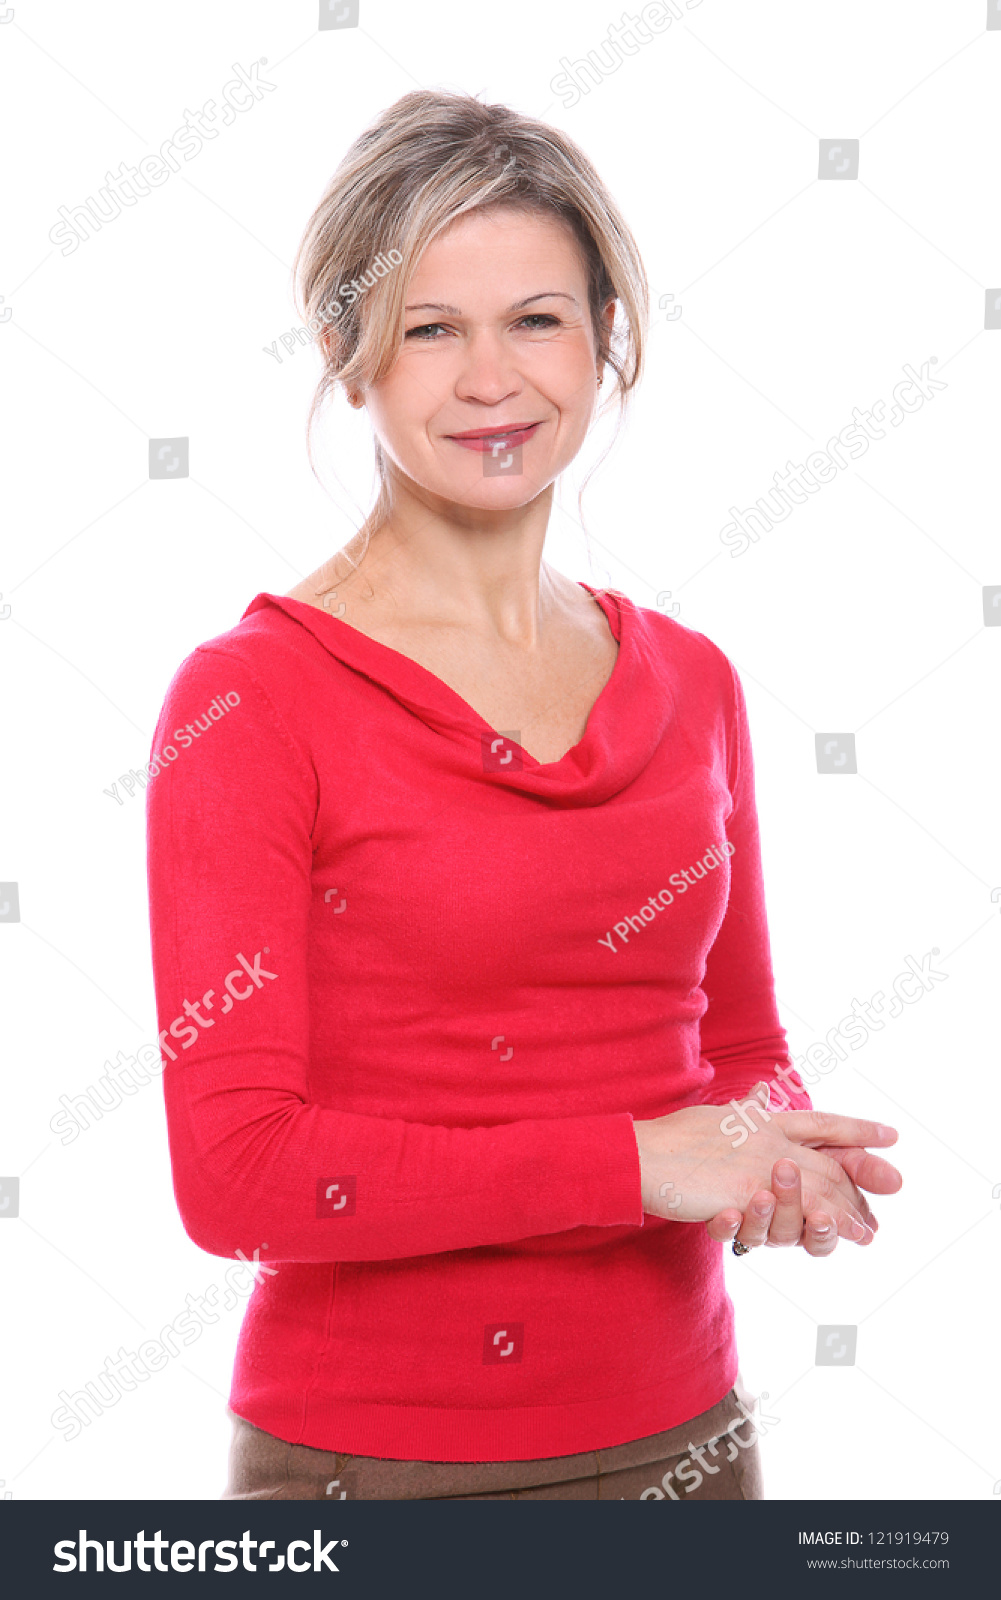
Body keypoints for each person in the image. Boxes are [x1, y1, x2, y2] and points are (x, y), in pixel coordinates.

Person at [145, 89, 901, 1502]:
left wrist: (772, 1149)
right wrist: (635, 1167)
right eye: (430, 329)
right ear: (344, 354)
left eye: (538, 320)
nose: (491, 380)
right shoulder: (251, 700)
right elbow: (236, 1176)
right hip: (378, 1471)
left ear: (606, 339)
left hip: (690, 1443)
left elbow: (730, 1038)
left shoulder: (692, 680)